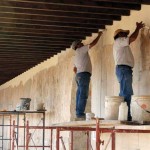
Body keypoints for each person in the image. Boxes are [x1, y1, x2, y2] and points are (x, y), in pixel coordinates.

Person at [113, 21, 145, 121]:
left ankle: (124, 114)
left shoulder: (121, 44)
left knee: (124, 92)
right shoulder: (119, 41)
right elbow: (132, 38)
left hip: (123, 69)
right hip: (123, 69)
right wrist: (138, 28)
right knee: (126, 92)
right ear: (119, 35)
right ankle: (126, 116)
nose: (126, 35)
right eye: (124, 33)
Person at [72, 31, 103, 119]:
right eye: (80, 43)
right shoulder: (81, 50)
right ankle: (80, 113)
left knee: (79, 94)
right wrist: (99, 35)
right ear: (77, 46)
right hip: (83, 74)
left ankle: (78, 112)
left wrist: (78, 75)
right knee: (83, 94)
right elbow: (92, 44)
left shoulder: (76, 55)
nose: (82, 43)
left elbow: (74, 69)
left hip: (79, 75)